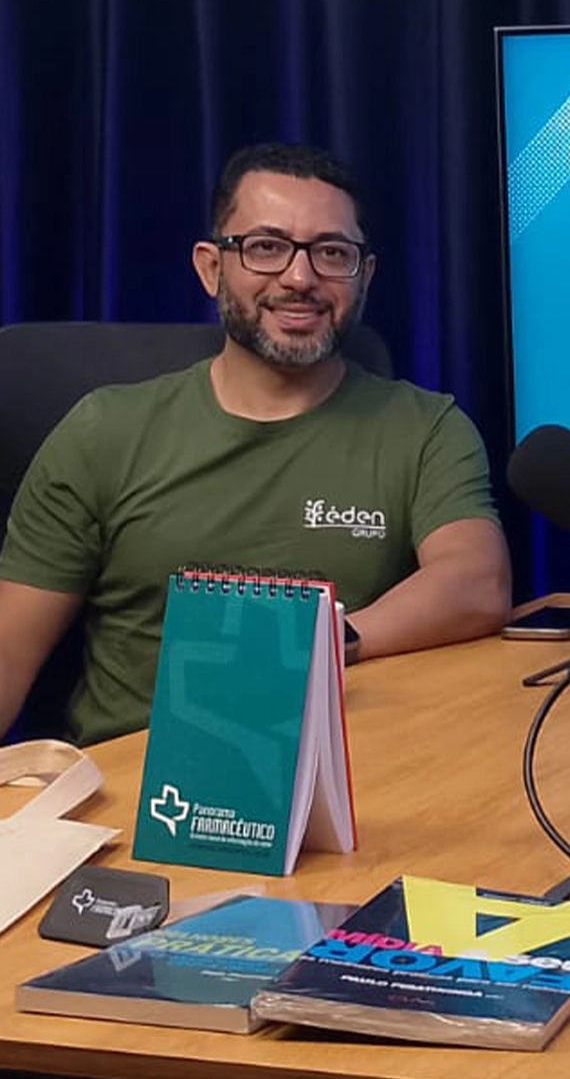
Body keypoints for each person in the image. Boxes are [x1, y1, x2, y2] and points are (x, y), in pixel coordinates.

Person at [0, 143, 512, 744]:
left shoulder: (425, 427)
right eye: (266, 247)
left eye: (332, 253)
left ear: (365, 275)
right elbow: (8, 657)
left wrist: (317, 647)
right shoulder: (103, 430)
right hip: (139, 779)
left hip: (354, 777)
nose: (300, 278)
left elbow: (476, 582)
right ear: (211, 267)